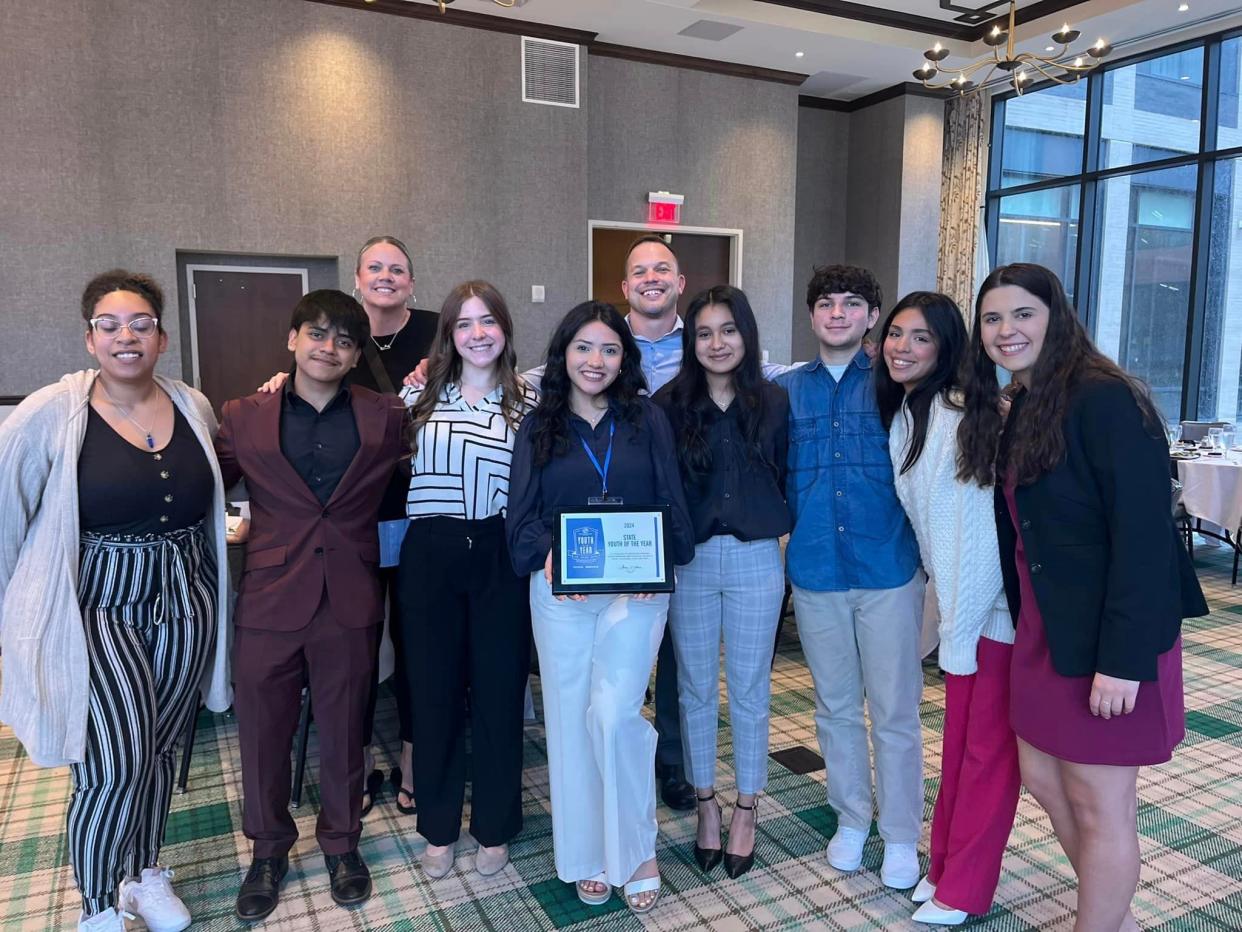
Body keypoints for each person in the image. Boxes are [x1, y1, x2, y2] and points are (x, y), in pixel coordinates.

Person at [957, 263, 1206, 932]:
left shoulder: (1104, 400)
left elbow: (1146, 538)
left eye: (1022, 315)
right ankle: (1113, 916)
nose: (1006, 330)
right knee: (1042, 776)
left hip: (1110, 635)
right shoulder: (1027, 405)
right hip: (1048, 630)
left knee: (1102, 803)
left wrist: (1123, 659)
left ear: (1056, 317)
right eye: (992, 319)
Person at [0, 271, 231, 932]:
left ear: (161, 337)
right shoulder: (55, 409)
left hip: (188, 597)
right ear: (90, 338)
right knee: (113, 761)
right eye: (110, 325)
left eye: (140, 324)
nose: (126, 336)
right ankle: (99, 905)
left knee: (160, 749)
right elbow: (6, 511)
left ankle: (143, 876)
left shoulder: (193, 404)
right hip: (100, 603)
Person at [215, 290, 407, 922]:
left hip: (350, 595)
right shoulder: (244, 415)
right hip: (269, 598)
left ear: (356, 356)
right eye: (317, 334)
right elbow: (201, 483)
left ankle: (341, 844)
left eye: (344, 340)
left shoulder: (386, 416)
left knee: (347, 729)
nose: (329, 348)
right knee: (262, 734)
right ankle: (267, 850)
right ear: (292, 339)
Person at [506, 301, 694, 913]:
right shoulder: (541, 425)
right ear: (563, 354)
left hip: (635, 594)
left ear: (625, 358)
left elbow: (670, 501)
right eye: (584, 347)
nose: (596, 361)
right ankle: (586, 853)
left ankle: (636, 847)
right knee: (568, 722)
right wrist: (548, 555)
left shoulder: (645, 420)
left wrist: (658, 560)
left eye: (610, 349)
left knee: (613, 717)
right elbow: (523, 519)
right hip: (562, 595)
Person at [260, 235, 435, 816]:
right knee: (351, 647)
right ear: (358, 278)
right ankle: (352, 764)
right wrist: (274, 386)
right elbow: (305, 394)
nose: (387, 276)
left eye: (398, 269)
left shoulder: (440, 331)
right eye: (375, 268)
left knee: (414, 641)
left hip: (419, 511)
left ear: (412, 282)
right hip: (351, 520)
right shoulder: (332, 334)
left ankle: (414, 761)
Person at [775, 265, 925, 890]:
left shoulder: (897, 385)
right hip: (815, 572)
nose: (838, 314)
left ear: (872, 316)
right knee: (835, 707)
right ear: (811, 316)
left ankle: (900, 834)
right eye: (826, 304)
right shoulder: (784, 392)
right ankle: (852, 818)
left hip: (888, 569)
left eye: (852, 304)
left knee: (895, 711)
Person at [876, 292, 1018, 925]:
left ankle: (966, 887)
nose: (902, 347)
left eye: (920, 338)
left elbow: (975, 544)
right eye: (896, 334)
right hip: (964, 610)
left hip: (991, 617)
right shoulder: (911, 412)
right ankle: (944, 869)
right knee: (958, 748)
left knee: (987, 755)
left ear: (947, 348)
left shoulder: (957, 413)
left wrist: (958, 634)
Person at [396, 281, 538, 879]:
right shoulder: (418, 395)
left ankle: (496, 825)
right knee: (433, 694)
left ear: (504, 328)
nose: (477, 333)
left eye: (488, 321)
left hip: (500, 553)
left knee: (500, 692)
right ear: (449, 334)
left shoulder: (528, 401)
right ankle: (438, 825)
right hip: (431, 550)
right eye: (464, 324)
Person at [652, 286, 788, 880]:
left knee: (753, 689)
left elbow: (784, 473)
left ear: (746, 335)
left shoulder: (775, 402)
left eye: (728, 330)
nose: (716, 343)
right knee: (695, 689)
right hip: (693, 563)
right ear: (691, 341)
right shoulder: (667, 406)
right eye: (704, 333)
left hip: (759, 558)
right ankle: (706, 802)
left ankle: (747, 808)